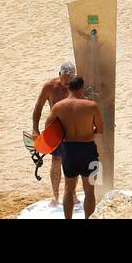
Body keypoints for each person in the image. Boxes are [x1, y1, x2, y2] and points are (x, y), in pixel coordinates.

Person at [43, 75, 104, 219]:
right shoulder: (91, 105)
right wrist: (88, 132)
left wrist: (64, 133)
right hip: (88, 149)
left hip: (69, 150)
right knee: (89, 191)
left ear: (68, 88)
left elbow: (48, 128)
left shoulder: (58, 106)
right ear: (81, 88)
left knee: (68, 190)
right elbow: (100, 129)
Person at [25, 62, 76, 209]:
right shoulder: (49, 87)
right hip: (56, 129)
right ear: (59, 75)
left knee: (73, 163)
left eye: (70, 81)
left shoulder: (78, 85)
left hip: (73, 129)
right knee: (56, 161)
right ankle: (56, 195)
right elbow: (37, 109)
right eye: (64, 80)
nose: (67, 84)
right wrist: (35, 130)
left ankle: (72, 194)